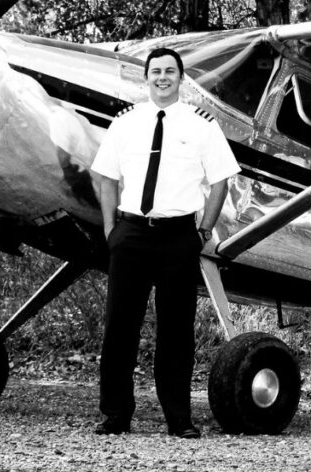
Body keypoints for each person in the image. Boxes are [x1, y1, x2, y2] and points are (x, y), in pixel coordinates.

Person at [90, 47, 241, 438]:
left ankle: (179, 419)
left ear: (180, 77)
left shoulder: (201, 124)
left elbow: (222, 179)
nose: (162, 77)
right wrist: (110, 229)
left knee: (176, 332)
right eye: (155, 71)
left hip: (178, 238)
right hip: (131, 234)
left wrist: (203, 231)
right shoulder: (125, 122)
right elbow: (106, 178)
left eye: (169, 71)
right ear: (146, 77)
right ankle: (115, 415)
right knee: (120, 328)